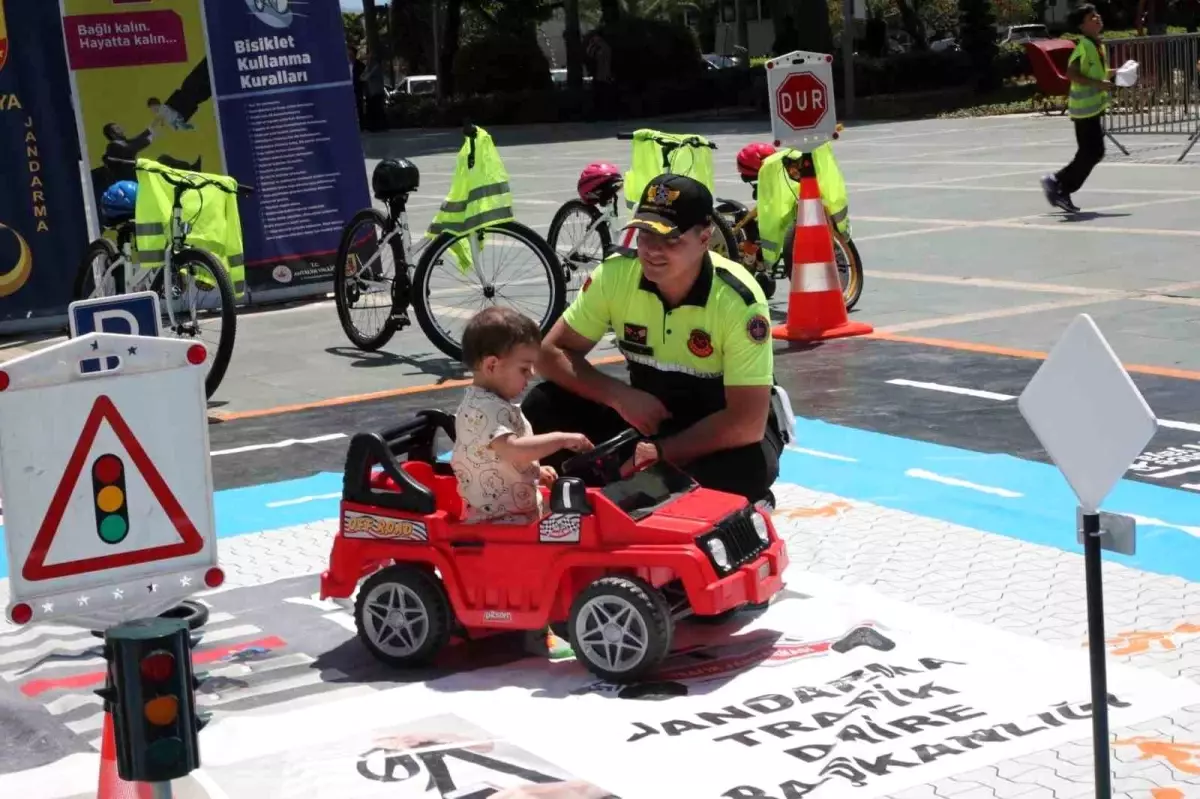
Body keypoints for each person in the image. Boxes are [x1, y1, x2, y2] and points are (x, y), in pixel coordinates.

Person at [521, 173, 784, 506]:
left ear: (704, 238)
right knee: (542, 406)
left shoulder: (738, 300)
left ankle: (626, 487)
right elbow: (550, 352)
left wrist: (660, 452)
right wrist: (618, 396)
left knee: (747, 466)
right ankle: (626, 488)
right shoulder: (616, 275)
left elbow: (746, 422)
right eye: (644, 233)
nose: (652, 250)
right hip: (645, 413)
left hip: (714, 423)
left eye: (670, 238)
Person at [451, 306, 595, 660]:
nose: (530, 375)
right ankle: (537, 632)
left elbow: (510, 456)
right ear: (491, 365)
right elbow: (511, 449)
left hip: (515, 504)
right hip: (497, 517)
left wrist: (536, 469)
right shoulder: (482, 410)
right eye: (524, 367)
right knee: (538, 563)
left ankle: (562, 611)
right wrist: (559, 439)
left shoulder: (497, 402)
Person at [1041, 4, 1116, 214]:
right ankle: (1058, 183)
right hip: (1083, 110)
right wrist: (1098, 84)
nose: (1098, 18)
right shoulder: (1084, 46)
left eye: (1097, 14)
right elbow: (1072, 73)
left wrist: (1118, 72)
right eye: (1092, 17)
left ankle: (1060, 185)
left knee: (1092, 152)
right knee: (1092, 152)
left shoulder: (1097, 45)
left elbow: (1096, 73)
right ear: (1082, 26)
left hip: (1092, 109)